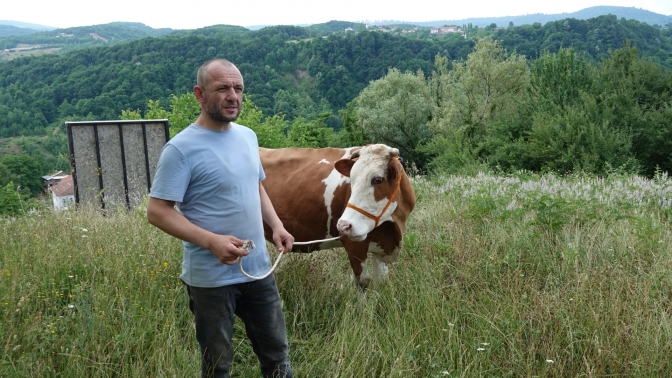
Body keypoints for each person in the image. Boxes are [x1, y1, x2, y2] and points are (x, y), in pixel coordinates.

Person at [147, 58, 294, 378]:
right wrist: (211, 241)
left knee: (277, 356)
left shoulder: (248, 136)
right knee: (218, 366)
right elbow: (157, 211)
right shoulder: (181, 149)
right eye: (222, 88)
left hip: (258, 272)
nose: (233, 96)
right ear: (200, 94)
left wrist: (277, 226)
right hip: (210, 282)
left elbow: (255, 186)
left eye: (238, 88)